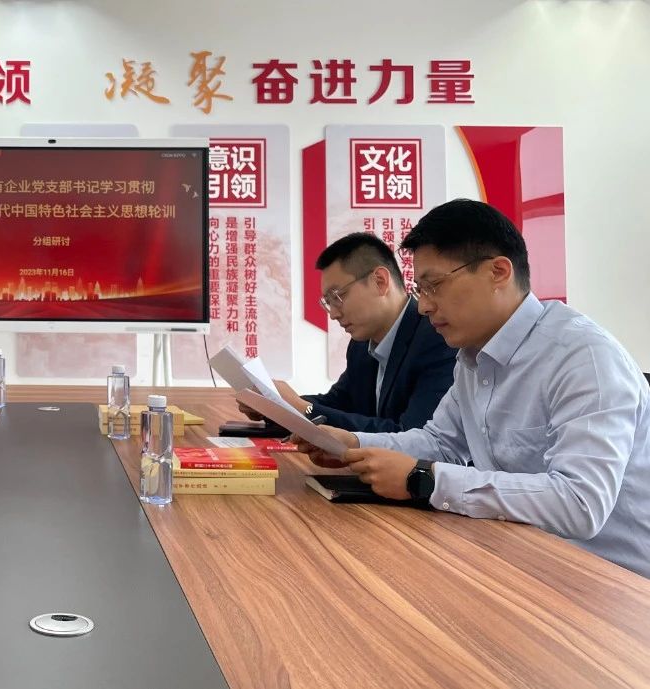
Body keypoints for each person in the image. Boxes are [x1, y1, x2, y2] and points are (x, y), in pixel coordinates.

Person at [296, 199, 650, 578]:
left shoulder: (582, 357)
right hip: (523, 559)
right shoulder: (472, 357)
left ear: (498, 272)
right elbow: (440, 443)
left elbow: (581, 504)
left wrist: (426, 480)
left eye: (434, 286)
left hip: (615, 585)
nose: (423, 307)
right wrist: (353, 445)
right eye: (420, 289)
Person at [239, 232, 456, 432]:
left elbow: (410, 434)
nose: (333, 314)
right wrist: (276, 405)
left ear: (380, 281)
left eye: (337, 297)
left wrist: (302, 409)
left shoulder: (436, 338)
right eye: (328, 302)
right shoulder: (361, 345)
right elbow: (338, 403)